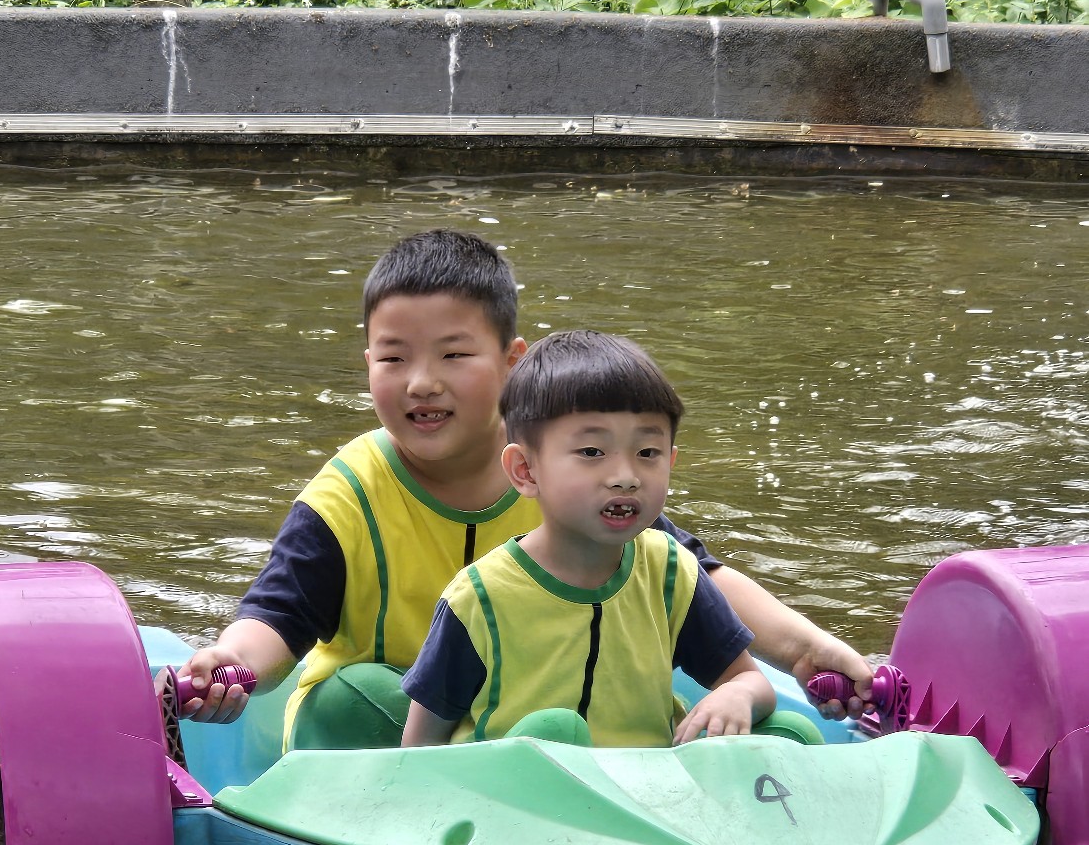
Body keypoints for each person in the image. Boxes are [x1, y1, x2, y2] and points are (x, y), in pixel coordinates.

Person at [181, 229, 871, 746]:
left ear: (513, 362)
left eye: (454, 354)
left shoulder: (568, 467)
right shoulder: (349, 493)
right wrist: (230, 665)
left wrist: (806, 652)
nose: (421, 382)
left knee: (780, 734)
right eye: (393, 358)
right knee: (350, 697)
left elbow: (690, 574)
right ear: (368, 363)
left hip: (552, 720)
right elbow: (279, 612)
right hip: (404, 727)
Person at [400, 330, 775, 747]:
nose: (625, 477)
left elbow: (750, 680)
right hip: (512, 784)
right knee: (558, 730)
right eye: (592, 452)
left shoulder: (672, 574)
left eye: (647, 453)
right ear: (525, 470)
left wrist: (738, 695)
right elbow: (419, 748)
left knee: (789, 731)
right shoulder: (479, 598)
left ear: (670, 460)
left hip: (644, 785)